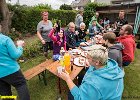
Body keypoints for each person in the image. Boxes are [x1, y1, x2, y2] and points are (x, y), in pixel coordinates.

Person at [58, 45, 124, 100]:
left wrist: (67, 79)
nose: (86, 59)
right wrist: (91, 65)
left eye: (88, 58)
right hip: (105, 93)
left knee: (71, 94)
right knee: (81, 76)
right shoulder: (109, 64)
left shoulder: (94, 84)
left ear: (97, 62)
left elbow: (80, 98)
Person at [0, 25, 30, 100]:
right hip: (11, 70)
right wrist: (19, 46)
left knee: (5, 93)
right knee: (21, 85)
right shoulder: (5, 39)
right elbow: (15, 55)